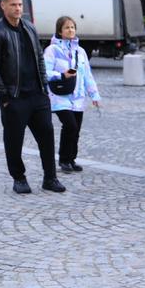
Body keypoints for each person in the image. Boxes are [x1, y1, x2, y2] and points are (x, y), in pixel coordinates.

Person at [0, 0, 66, 195]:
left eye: (20, 4)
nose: (18, 8)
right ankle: (19, 178)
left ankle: (50, 178)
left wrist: (44, 88)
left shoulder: (30, 28)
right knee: (14, 141)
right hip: (14, 97)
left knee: (47, 137)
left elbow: (39, 57)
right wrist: (4, 97)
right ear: (3, 6)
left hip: (37, 96)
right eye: (13, 4)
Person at [44, 16, 101, 173]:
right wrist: (61, 74)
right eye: (67, 28)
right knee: (70, 125)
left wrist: (94, 95)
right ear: (59, 31)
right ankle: (63, 160)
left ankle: (71, 159)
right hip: (59, 95)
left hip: (77, 96)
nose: (70, 30)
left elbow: (87, 75)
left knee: (76, 130)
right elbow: (44, 72)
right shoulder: (52, 50)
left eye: (72, 27)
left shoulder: (80, 51)